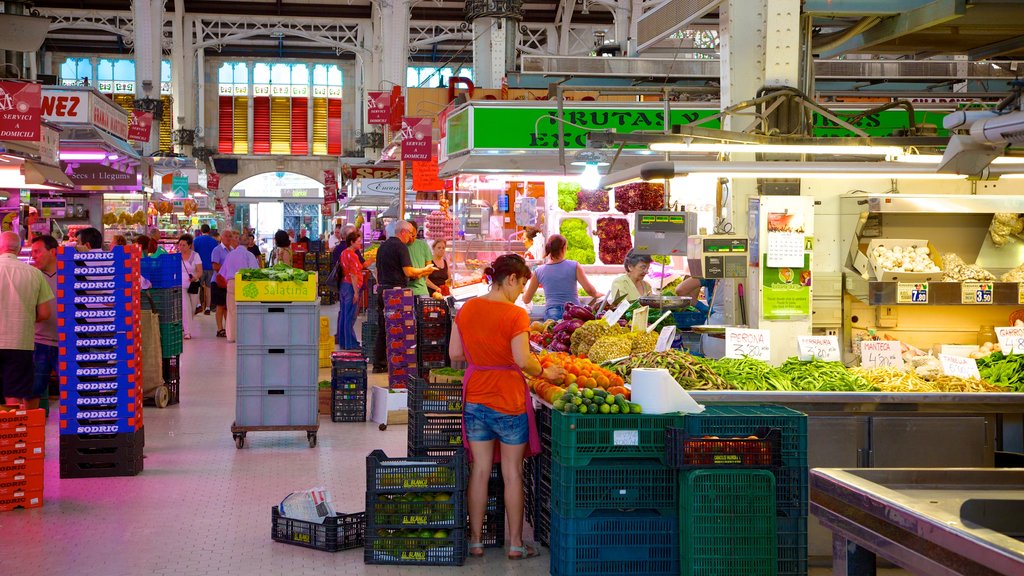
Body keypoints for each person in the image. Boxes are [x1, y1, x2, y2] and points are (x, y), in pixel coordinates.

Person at [448, 254, 564, 559]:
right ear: (511, 279)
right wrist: (545, 372)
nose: (522, 290)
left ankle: (475, 541)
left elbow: (455, 353)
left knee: (480, 469)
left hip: (475, 396)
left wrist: (483, 356)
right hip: (508, 398)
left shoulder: (467, 308)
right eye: (523, 283)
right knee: (513, 472)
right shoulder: (515, 315)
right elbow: (523, 360)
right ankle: (514, 543)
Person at [0, 232, 54, 410]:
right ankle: (12, 435)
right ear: (20, 249)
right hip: (20, 343)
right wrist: (25, 318)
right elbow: (45, 312)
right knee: (13, 395)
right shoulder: (34, 274)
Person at [372, 221, 435, 372]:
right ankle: (397, 364)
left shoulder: (383, 246)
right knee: (398, 329)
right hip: (396, 292)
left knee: (383, 328)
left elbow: (376, 270)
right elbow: (408, 272)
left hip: (382, 290)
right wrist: (424, 269)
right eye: (411, 234)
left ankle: (379, 364)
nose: (411, 238)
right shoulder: (400, 246)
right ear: (403, 232)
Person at [521, 234, 602, 321]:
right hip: (574, 312)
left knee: (555, 333)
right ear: (564, 248)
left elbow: (526, 300)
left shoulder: (539, 271)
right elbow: (590, 290)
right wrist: (598, 294)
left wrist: (523, 292)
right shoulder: (574, 265)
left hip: (552, 314)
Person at [30, 235, 59, 413]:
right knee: (32, 390)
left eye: (37, 251)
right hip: (38, 342)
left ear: (52, 252)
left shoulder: (70, 276)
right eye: (32, 252)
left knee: (72, 388)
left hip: (66, 344)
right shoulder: (32, 277)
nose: (33, 256)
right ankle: (29, 430)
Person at [217, 230, 258, 343]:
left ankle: (231, 336)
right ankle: (245, 336)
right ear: (249, 243)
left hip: (231, 283)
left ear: (238, 241)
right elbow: (255, 272)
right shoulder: (249, 255)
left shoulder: (230, 255)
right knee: (246, 310)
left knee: (231, 310)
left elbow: (222, 273)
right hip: (246, 284)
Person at [336, 231, 363, 350]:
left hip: (343, 285)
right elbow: (353, 274)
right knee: (350, 316)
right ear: (352, 242)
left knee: (344, 315)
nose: (360, 243)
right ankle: (350, 344)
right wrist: (356, 292)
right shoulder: (353, 255)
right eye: (358, 241)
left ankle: (343, 342)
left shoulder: (343, 253)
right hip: (351, 286)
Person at [178, 234, 202, 340]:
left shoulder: (195, 256)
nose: (181, 247)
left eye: (184, 245)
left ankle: (187, 325)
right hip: (181, 285)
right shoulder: (176, 256)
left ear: (189, 245)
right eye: (180, 245)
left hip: (193, 285)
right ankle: (187, 331)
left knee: (192, 308)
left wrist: (195, 277)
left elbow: (200, 271)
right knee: (185, 307)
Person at [193, 224, 218, 315]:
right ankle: (208, 307)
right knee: (209, 288)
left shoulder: (196, 240)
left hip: (199, 267)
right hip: (211, 267)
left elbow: (193, 253)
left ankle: (198, 305)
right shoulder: (214, 241)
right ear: (209, 230)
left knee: (197, 287)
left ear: (201, 230)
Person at [405, 220, 433, 297]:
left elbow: (429, 268)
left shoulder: (423, 245)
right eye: (409, 235)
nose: (411, 238)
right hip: (404, 290)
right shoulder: (401, 246)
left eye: (413, 236)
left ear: (417, 232)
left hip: (421, 290)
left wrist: (419, 275)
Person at [210, 232, 231, 337]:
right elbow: (215, 266)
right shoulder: (217, 250)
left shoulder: (231, 250)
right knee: (220, 305)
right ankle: (219, 328)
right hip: (218, 281)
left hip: (228, 282)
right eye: (226, 236)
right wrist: (227, 270)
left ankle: (228, 327)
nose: (228, 238)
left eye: (230, 236)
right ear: (221, 238)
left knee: (227, 306)